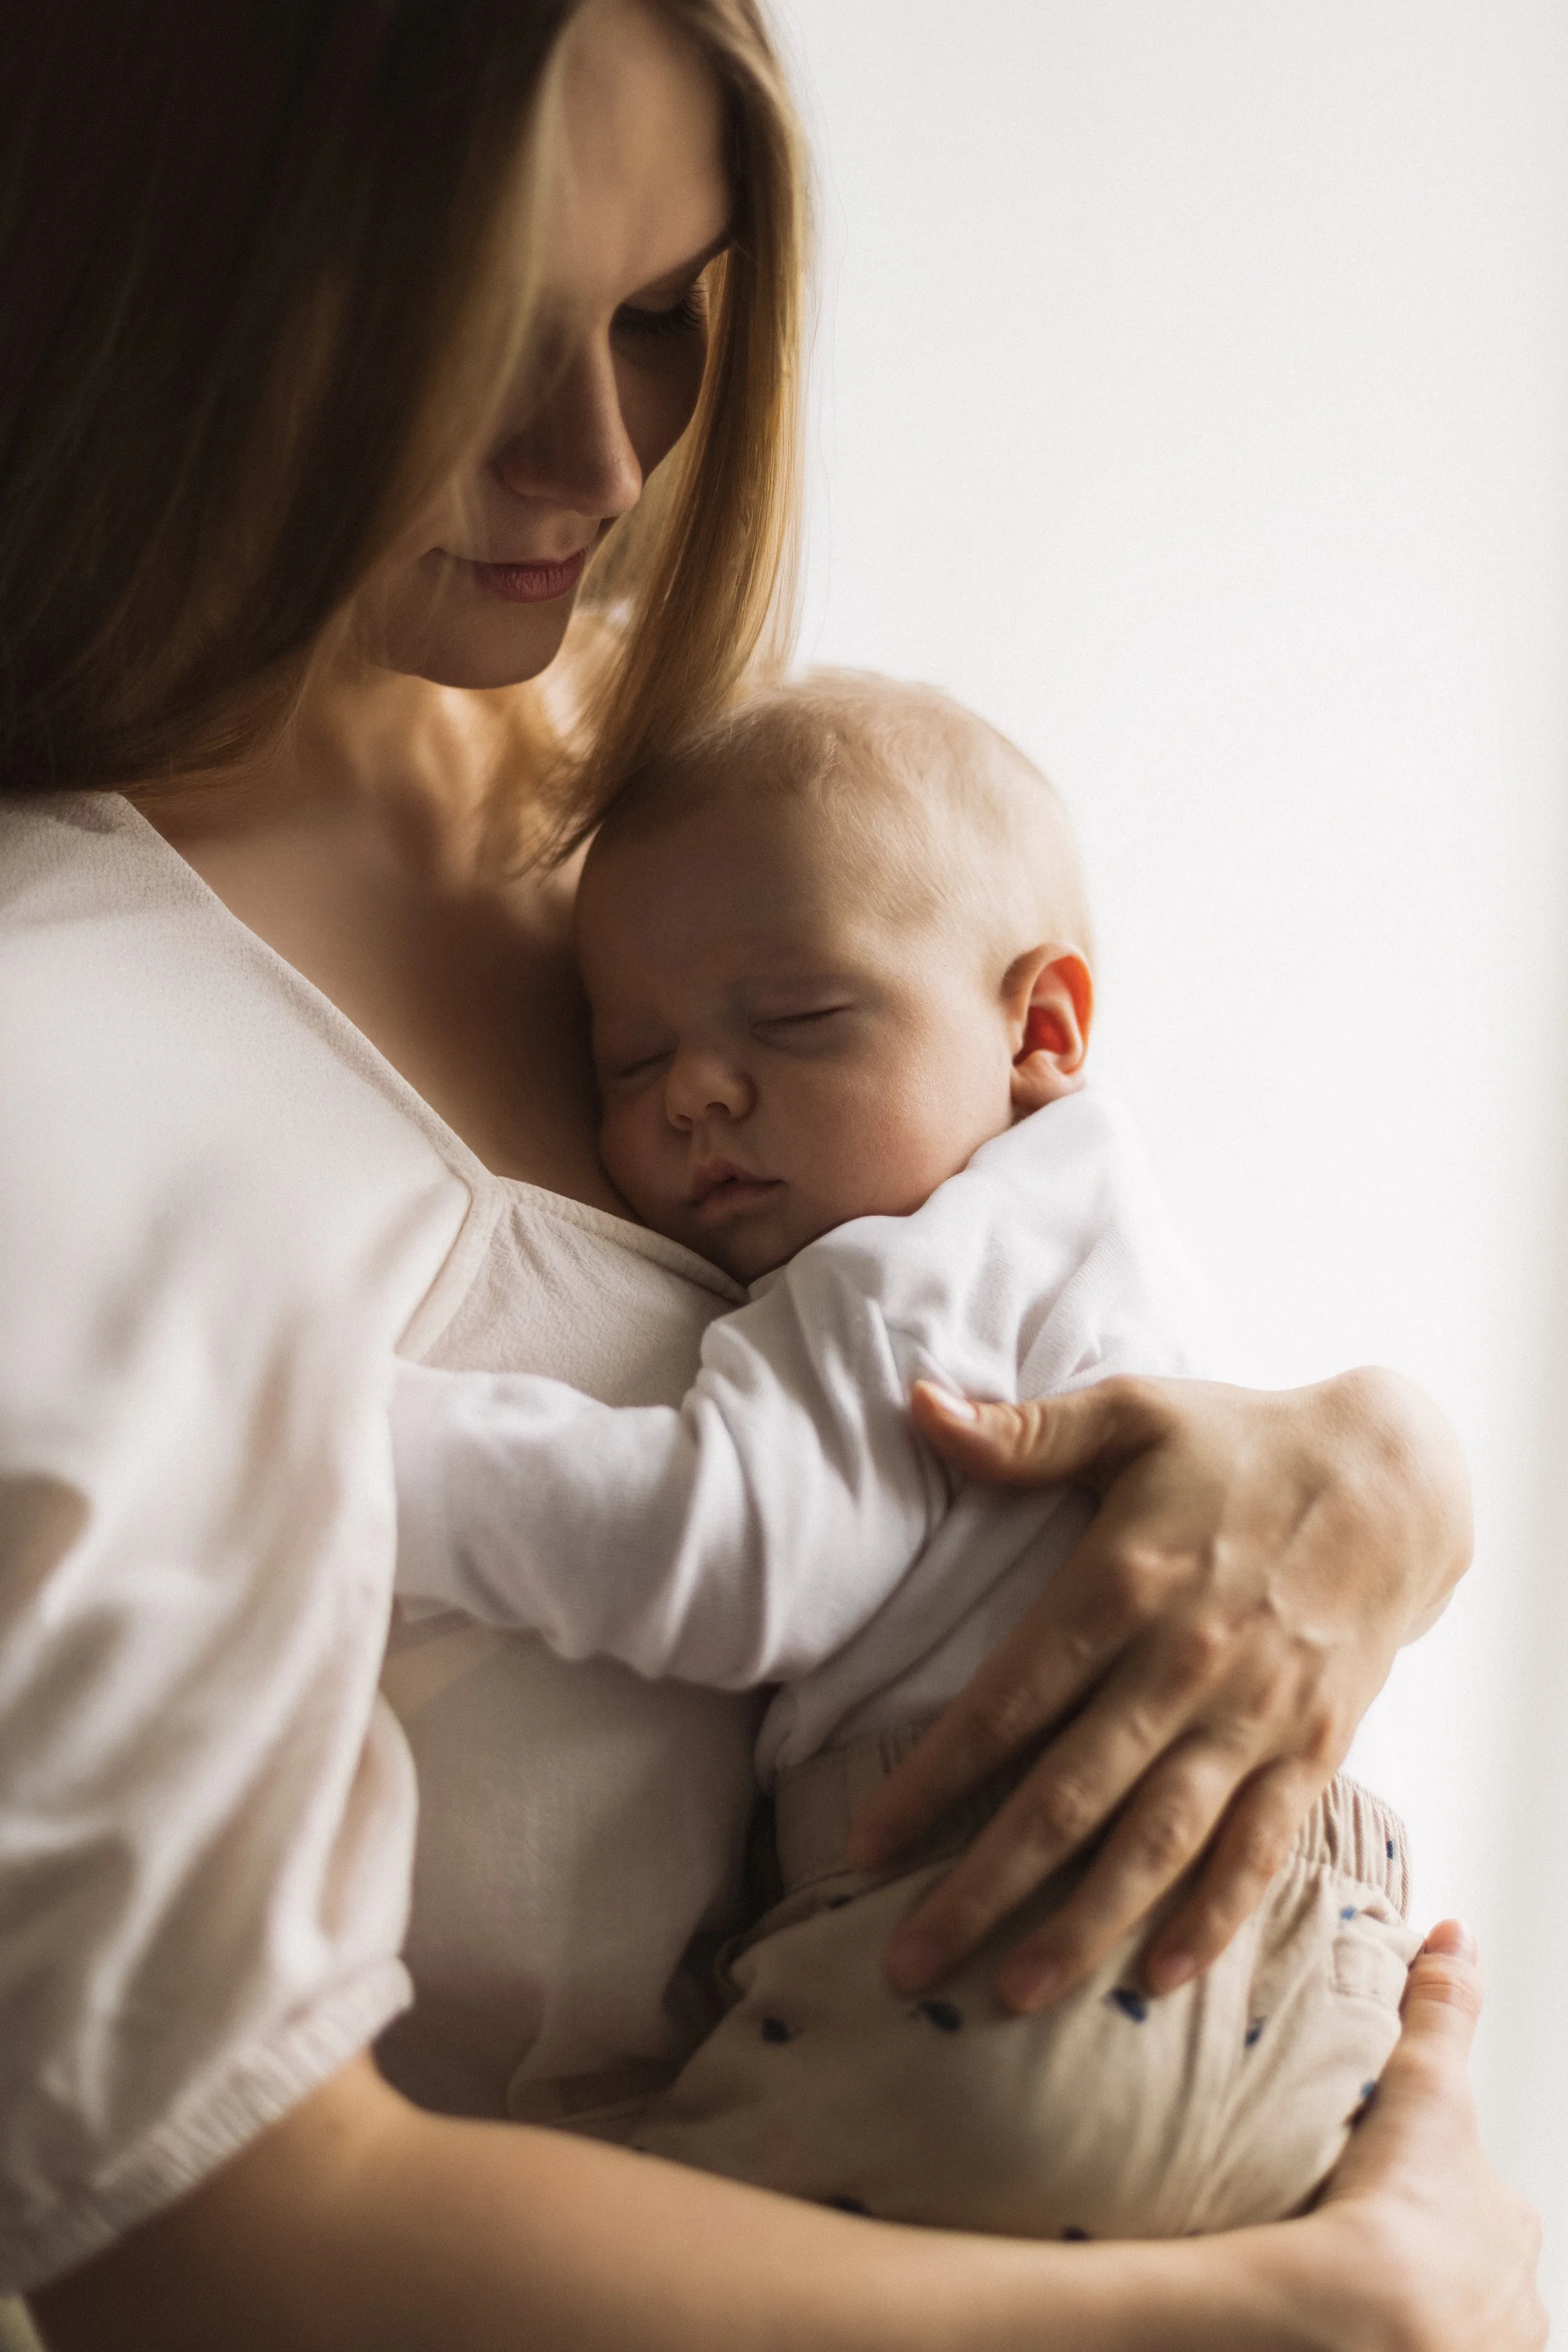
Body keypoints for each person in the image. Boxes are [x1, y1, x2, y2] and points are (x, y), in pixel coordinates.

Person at [0, 1, 1542, 2347]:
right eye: (473, 339)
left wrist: (1379, 1478)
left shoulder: (674, 799)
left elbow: (1027, 1306)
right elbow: (203, 2224)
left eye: (662, 317)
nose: (597, 460)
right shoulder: (64, 1027)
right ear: (170, 275)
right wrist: (1277, 2320)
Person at [388, 669, 1423, 2237]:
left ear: (1042, 1029)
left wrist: (341, 1423)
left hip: (996, 1940)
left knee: (613, 2270)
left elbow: (722, 1557)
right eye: (628, 1059)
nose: (697, 1093)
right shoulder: (1095, 1234)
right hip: (1308, 1960)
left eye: (796, 1018)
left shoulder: (904, 1268)